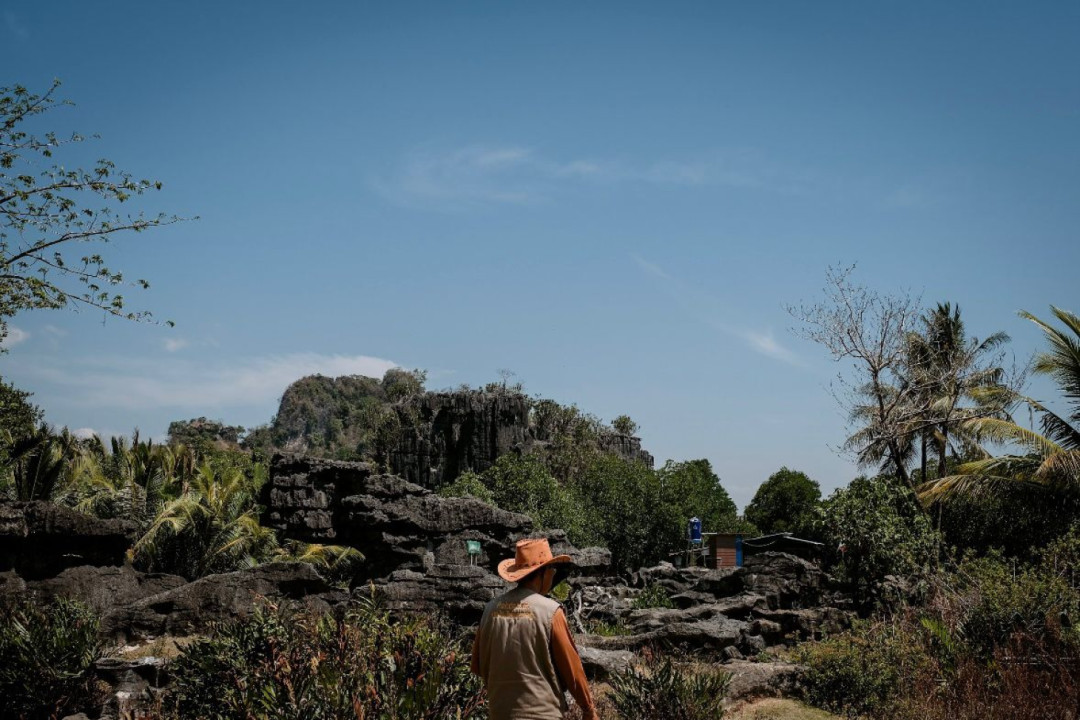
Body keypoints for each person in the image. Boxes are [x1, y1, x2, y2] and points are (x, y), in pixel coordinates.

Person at [471, 538, 597, 720]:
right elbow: (572, 670)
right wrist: (588, 709)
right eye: (552, 570)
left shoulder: (490, 610)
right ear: (542, 573)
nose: (553, 575)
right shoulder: (550, 611)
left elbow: (480, 667)